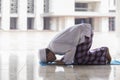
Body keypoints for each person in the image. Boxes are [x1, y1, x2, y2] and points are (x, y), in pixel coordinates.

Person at [39, 23, 111, 65]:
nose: (51, 61)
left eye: (48, 60)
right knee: (77, 59)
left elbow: (72, 48)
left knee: (80, 60)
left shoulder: (54, 47)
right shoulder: (53, 46)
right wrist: (64, 60)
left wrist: (64, 62)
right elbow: (69, 50)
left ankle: (103, 51)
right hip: (84, 32)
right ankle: (102, 55)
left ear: (48, 54)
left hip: (84, 34)